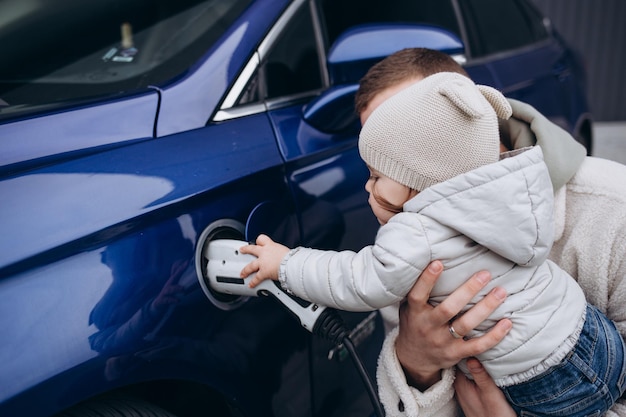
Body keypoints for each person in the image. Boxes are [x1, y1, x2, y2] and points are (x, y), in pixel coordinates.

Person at [240, 71, 626, 416]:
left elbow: (355, 278)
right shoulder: (517, 201)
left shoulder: (614, 206)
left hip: (547, 386)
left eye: (381, 171)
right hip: (598, 339)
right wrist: (415, 360)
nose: (367, 187)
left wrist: (287, 263)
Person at [355, 48, 626, 417]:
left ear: (474, 117)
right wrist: (416, 363)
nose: (404, 173)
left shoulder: (613, 209)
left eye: (415, 140)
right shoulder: (400, 243)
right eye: (387, 160)